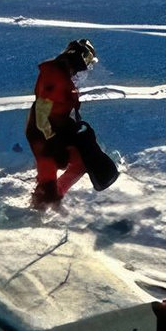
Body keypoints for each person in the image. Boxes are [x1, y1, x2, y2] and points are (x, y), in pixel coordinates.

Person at [25, 38, 97, 208]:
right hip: (43, 136)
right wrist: (53, 140)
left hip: (58, 129)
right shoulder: (54, 75)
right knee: (47, 184)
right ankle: (39, 210)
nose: (86, 67)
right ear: (78, 58)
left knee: (81, 162)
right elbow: (42, 112)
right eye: (86, 61)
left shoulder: (63, 74)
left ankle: (55, 196)